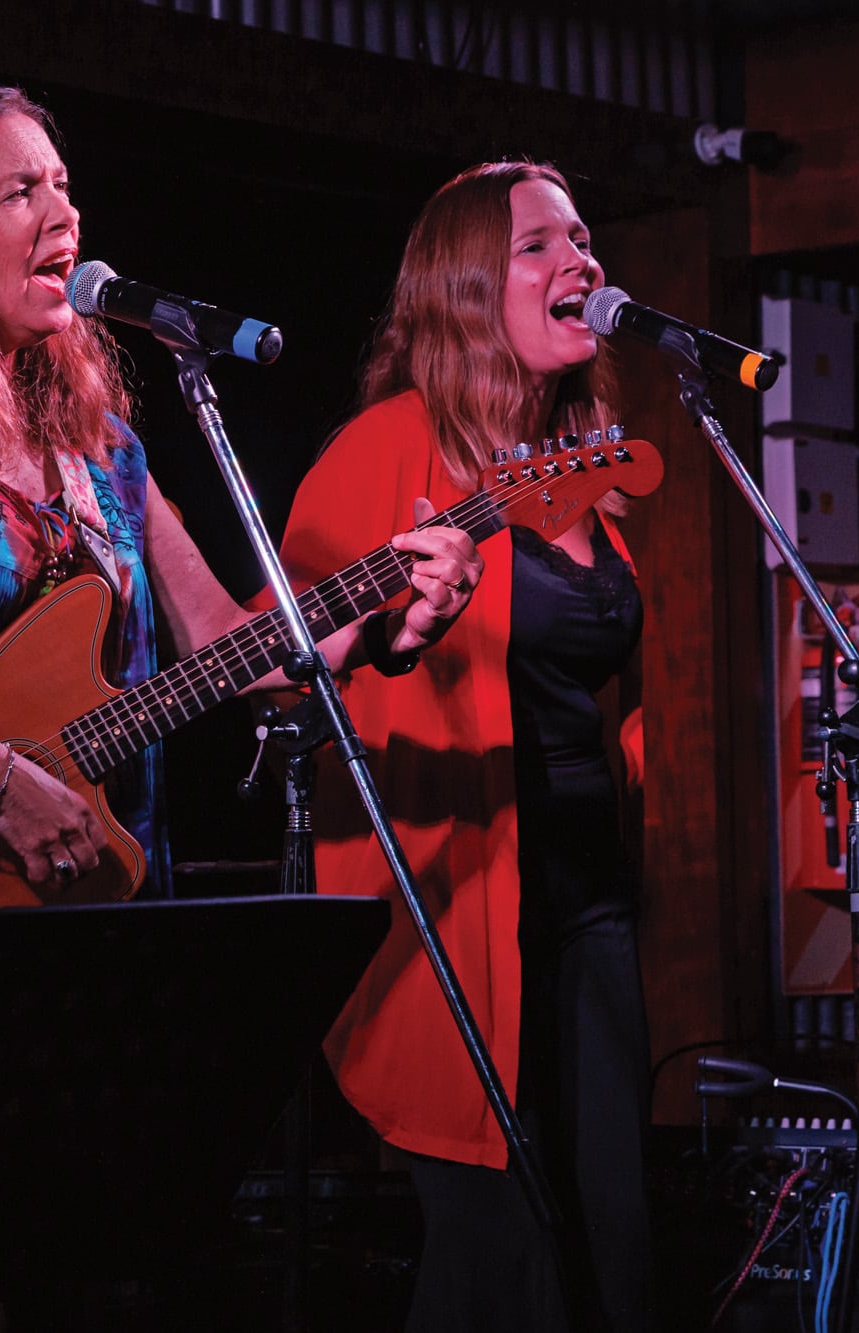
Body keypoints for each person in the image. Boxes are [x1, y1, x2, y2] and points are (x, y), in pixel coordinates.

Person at [0, 80, 481, 925]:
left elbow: (223, 639)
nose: (66, 217)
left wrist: (381, 624)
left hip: (87, 891)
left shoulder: (103, 448)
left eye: (63, 186)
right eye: (21, 192)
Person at [279, 161, 651, 1332]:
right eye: (540, 245)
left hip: (585, 912)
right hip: (453, 915)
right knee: (500, 1262)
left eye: (583, 239)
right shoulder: (385, 447)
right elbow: (270, 658)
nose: (579, 262)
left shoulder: (571, 474)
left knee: (615, 1245)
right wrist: (387, 621)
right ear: (462, 286)